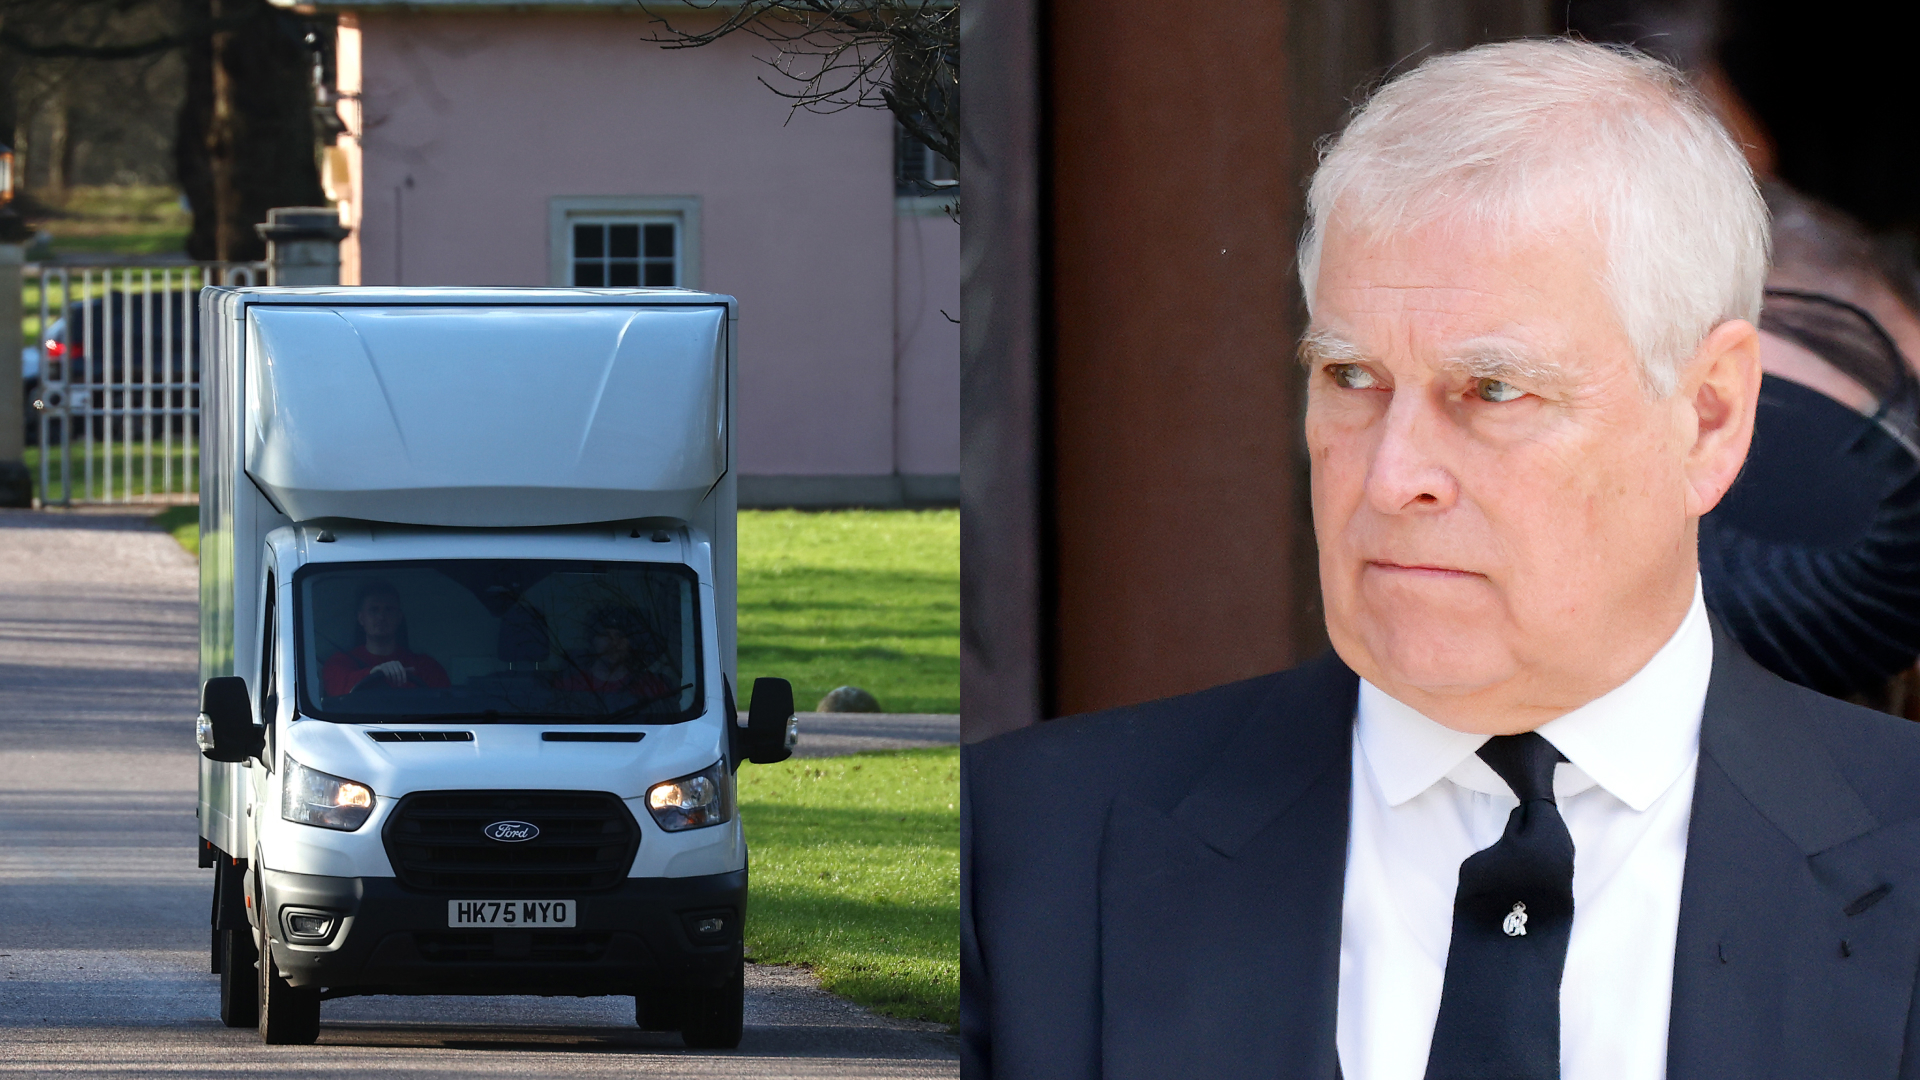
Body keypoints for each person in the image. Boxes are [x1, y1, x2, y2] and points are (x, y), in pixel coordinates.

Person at [962, 40, 1920, 1080]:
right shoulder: (1020, 853)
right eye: (1351, 376)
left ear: (1708, 415)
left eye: (1494, 390)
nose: (1389, 477)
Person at [321, 581, 450, 697]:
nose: (381, 616)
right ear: (361, 618)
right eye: (374, 610)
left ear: (399, 617)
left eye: (389, 609)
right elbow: (336, 692)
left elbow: (446, 704)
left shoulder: (425, 666)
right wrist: (373, 673)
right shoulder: (340, 663)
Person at [554, 607, 673, 700]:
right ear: (592, 642)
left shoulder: (653, 688)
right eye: (605, 635)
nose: (614, 642)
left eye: (620, 636)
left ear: (631, 643)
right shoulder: (567, 687)